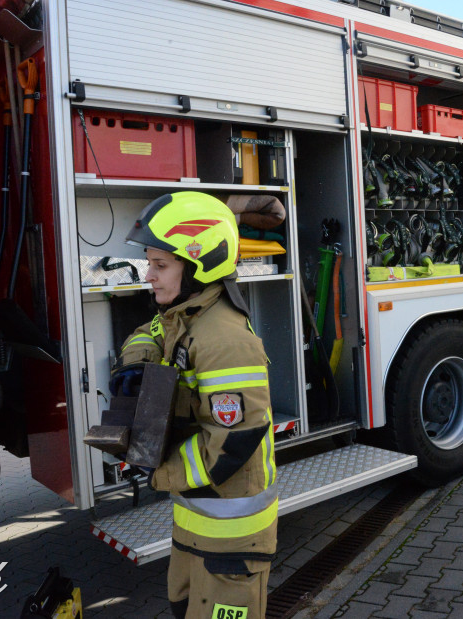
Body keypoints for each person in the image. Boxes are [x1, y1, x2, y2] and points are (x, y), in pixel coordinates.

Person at [111, 191, 276, 618]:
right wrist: (135, 363)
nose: (149, 275)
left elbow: (233, 443)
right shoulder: (184, 313)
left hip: (232, 537)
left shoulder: (223, 340)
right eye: (150, 262)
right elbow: (148, 331)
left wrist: (156, 468)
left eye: (160, 265)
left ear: (201, 263)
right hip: (197, 519)